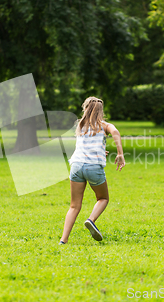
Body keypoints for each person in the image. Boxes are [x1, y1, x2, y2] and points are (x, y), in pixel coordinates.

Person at [60, 97, 125, 244]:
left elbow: (87, 144)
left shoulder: (80, 125)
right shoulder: (104, 125)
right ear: (100, 111)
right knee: (103, 198)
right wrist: (120, 154)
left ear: (85, 109)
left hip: (76, 165)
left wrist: (100, 150)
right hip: (93, 166)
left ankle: (63, 240)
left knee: (74, 206)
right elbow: (115, 131)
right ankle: (91, 220)